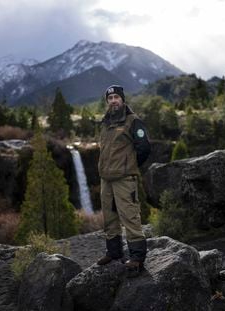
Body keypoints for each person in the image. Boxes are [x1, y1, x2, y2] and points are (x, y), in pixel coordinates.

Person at [97, 84, 151, 276]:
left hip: (124, 179)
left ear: (122, 99)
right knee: (109, 217)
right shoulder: (105, 122)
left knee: (130, 216)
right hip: (106, 179)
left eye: (116, 98)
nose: (113, 101)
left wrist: (131, 167)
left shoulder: (133, 121)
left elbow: (144, 147)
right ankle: (113, 253)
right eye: (110, 99)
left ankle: (136, 257)